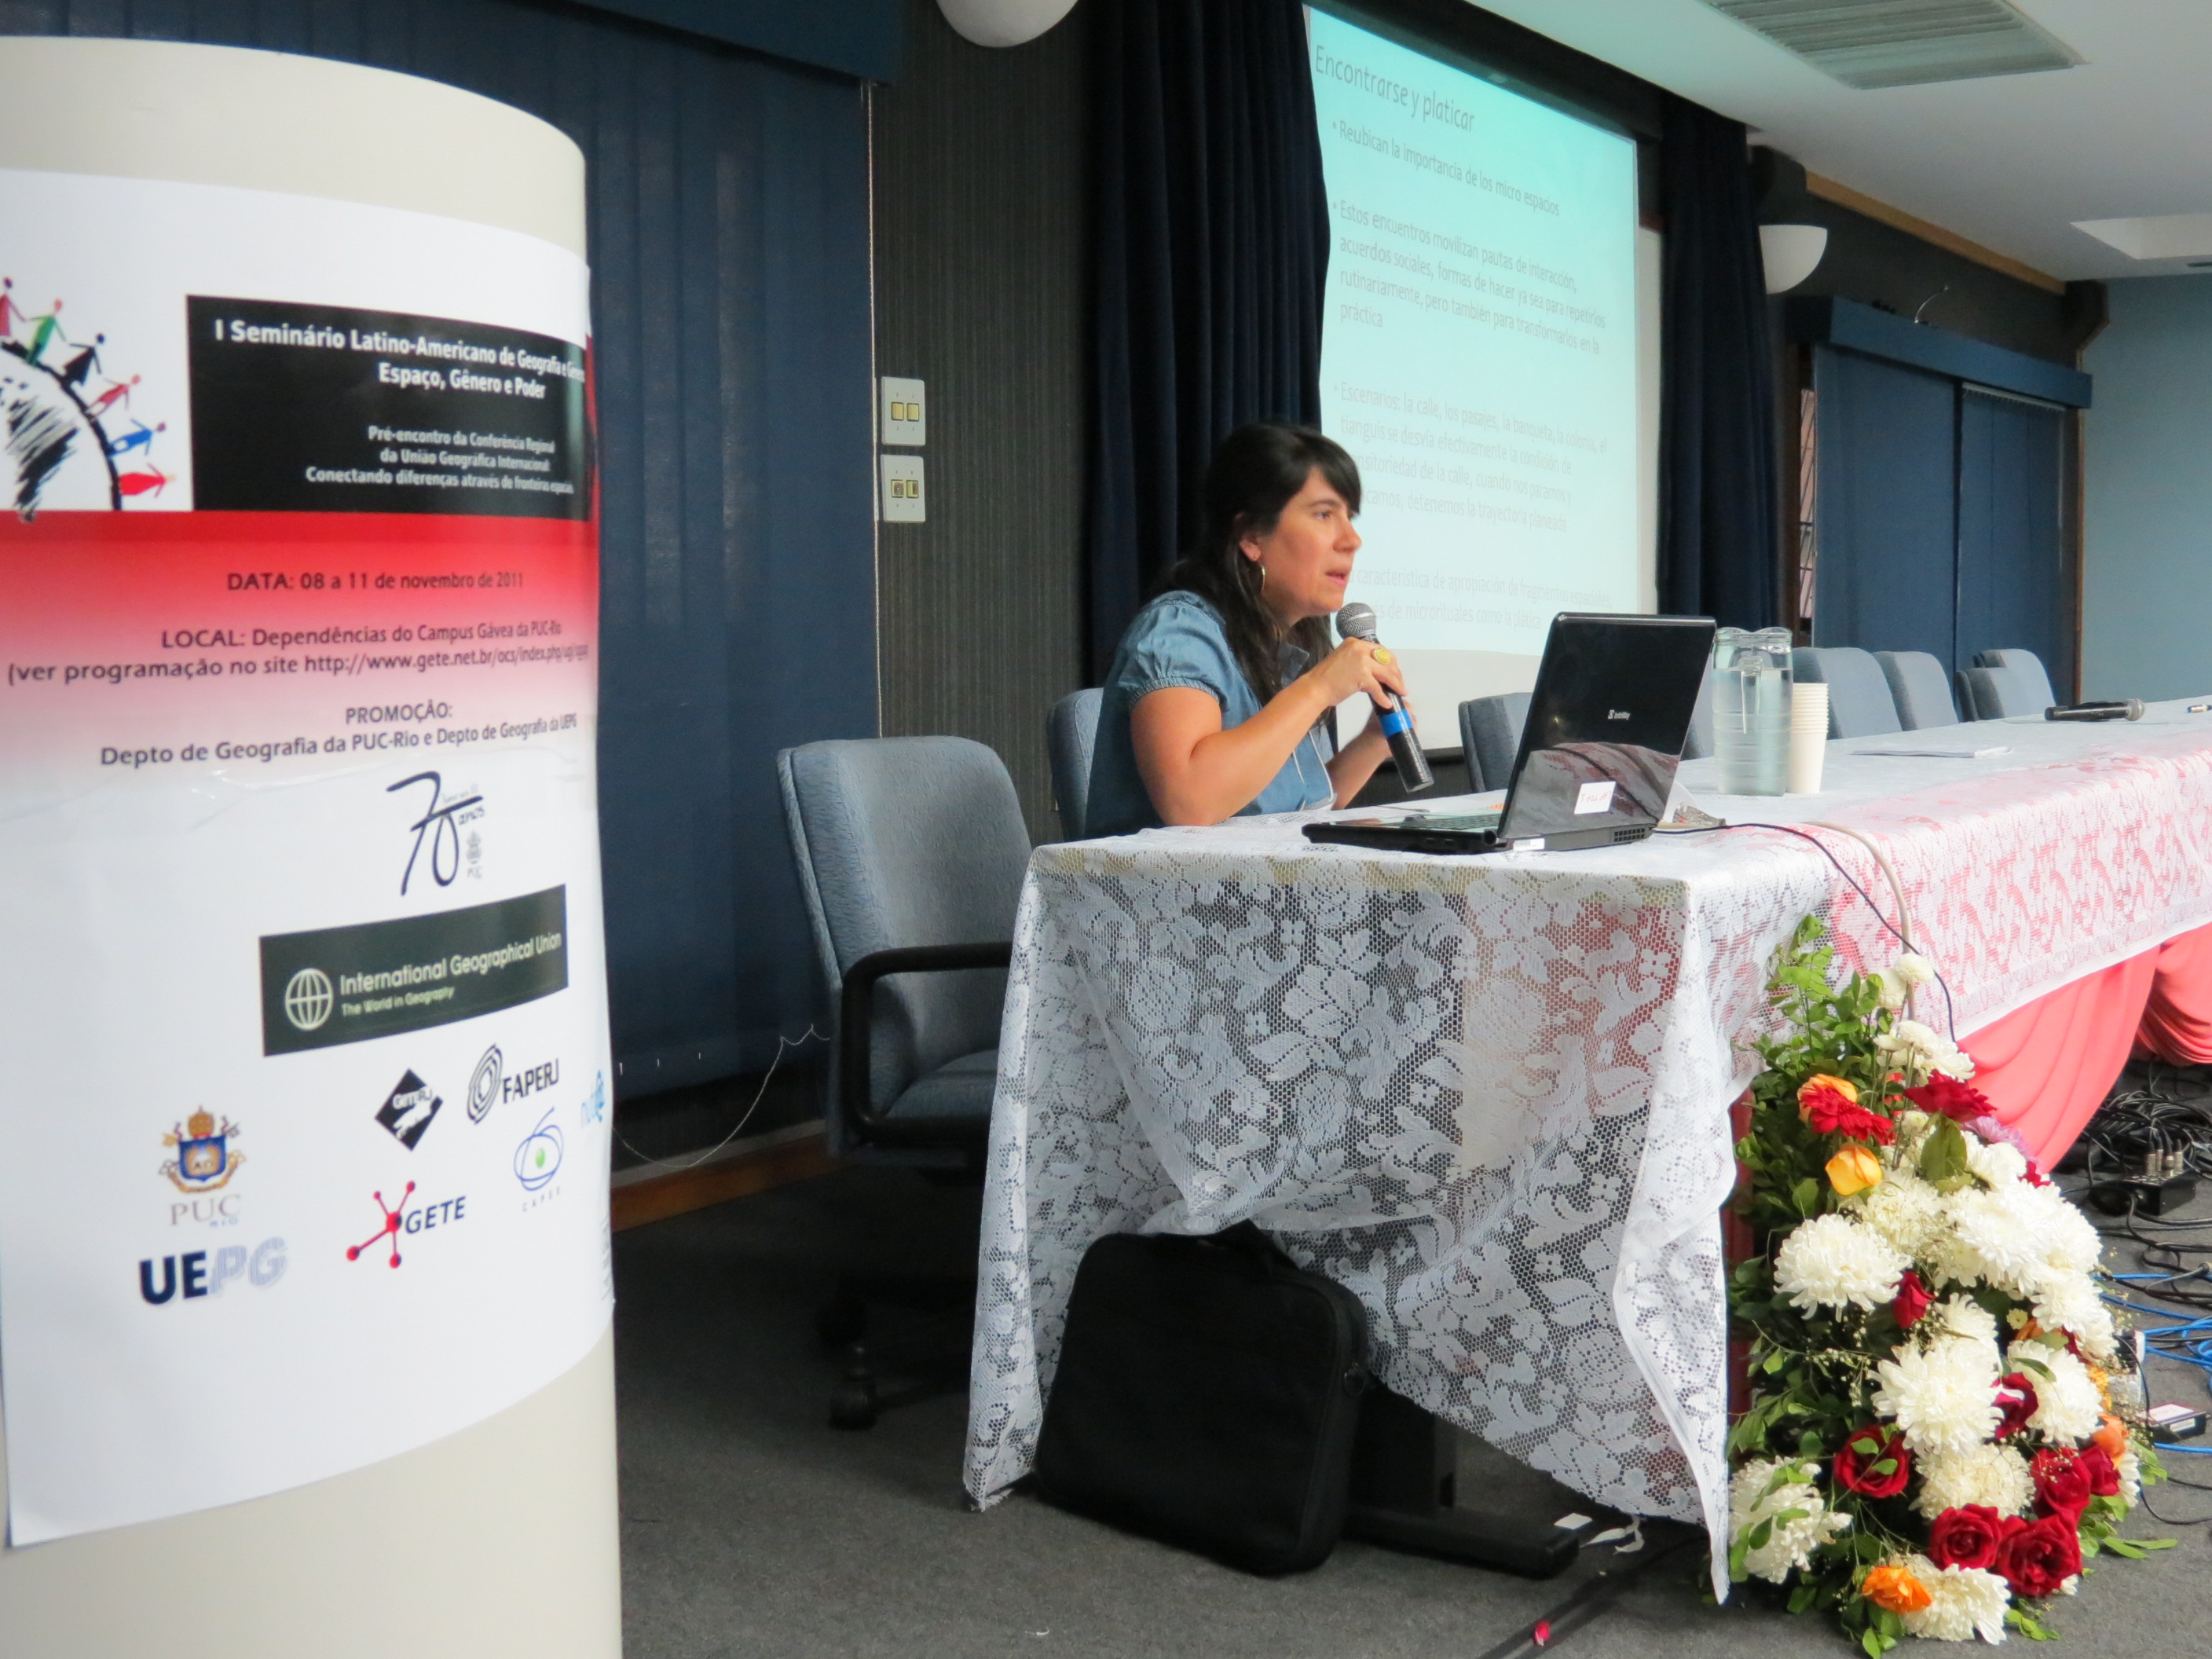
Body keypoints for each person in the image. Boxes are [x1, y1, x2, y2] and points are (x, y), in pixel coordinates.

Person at [1085, 421, 1410, 836]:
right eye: (1325, 514)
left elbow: (1294, 812)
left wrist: (1372, 742)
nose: (1352, 540)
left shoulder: (1286, 642)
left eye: (1351, 517)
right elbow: (1190, 801)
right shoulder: (1180, 631)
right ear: (1252, 536)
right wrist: (1320, 688)